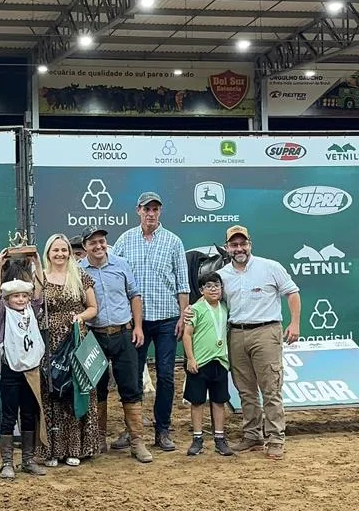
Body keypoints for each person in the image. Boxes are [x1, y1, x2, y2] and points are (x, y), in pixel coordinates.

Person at [112, 192, 190, 453]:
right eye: (147, 208)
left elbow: (182, 283)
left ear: (160, 211)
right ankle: (132, 430)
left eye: (155, 208)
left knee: (166, 375)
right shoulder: (125, 240)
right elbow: (114, 272)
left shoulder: (173, 241)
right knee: (132, 377)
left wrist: (183, 317)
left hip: (168, 319)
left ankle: (163, 430)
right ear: (138, 210)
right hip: (137, 321)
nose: (151, 213)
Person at [219, 225, 300, 460]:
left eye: (242, 243)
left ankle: (276, 438)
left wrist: (294, 324)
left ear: (250, 244)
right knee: (245, 390)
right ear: (227, 248)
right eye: (234, 245)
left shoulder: (270, 267)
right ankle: (252, 435)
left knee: (271, 388)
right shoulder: (223, 275)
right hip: (236, 333)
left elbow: (292, 293)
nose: (239, 248)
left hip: (267, 332)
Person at [80, 228, 152, 464]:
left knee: (131, 387)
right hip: (94, 335)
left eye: (101, 241)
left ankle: (136, 441)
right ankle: (99, 438)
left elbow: (135, 295)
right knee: (96, 388)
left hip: (124, 333)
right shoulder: (78, 270)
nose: (99, 246)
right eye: (93, 243)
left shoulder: (121, 264)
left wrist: (138, 327)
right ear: (85, 246)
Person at [38, 232, 101, 467]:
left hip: (75, 342)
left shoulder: (80, 276)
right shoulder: (40, 277)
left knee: (76, 391)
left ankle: (77, 448)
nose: (60, 254)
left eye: (64, 250)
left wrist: (80, 317)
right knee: (53, 393)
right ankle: (52, 450)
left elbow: (93, 308)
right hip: (50, 344)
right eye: (56, 250)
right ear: (48, 253)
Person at [0, 248, 47, 479]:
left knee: (29, 412)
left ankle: (27, 460)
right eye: (16, 296)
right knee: (9, 413)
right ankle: (6, 462)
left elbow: (40, 293)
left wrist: (37, 264)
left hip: (31, 369)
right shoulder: (3, 312)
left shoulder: (32, 310)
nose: (21, 299)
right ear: (8, 298)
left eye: (23, 295)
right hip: (11, 368)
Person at [182, 273, 234, 457]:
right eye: (208, 286)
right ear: (201, 290)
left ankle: (220, 438)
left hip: (219, 362)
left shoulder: (225, 308)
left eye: (217, 285)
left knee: (219, 401)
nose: (213, 289)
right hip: (199, 363)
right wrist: (190, 358)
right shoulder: (195, 309)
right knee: (197, 402)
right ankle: (197, 439)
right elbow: (187, 334)